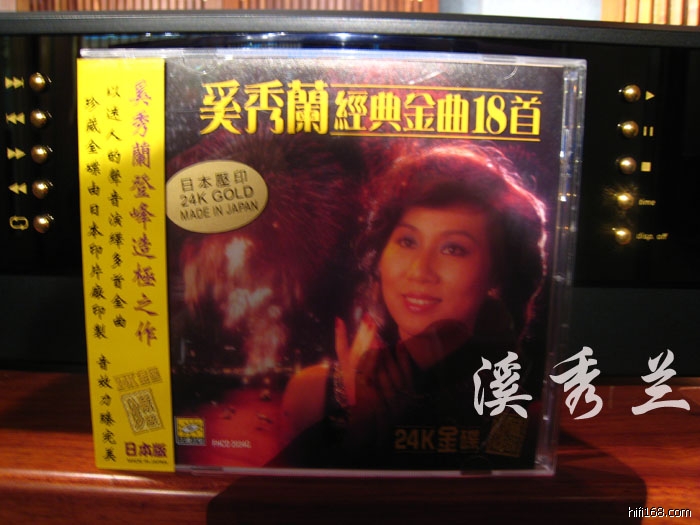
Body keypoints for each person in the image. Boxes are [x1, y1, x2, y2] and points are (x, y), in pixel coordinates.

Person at [276, 141, 548, 470]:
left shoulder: (520, 414)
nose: (419, 271)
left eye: (453, 249)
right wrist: (355, 425)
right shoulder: (312, 394)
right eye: (407, 241)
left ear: (495, 273)